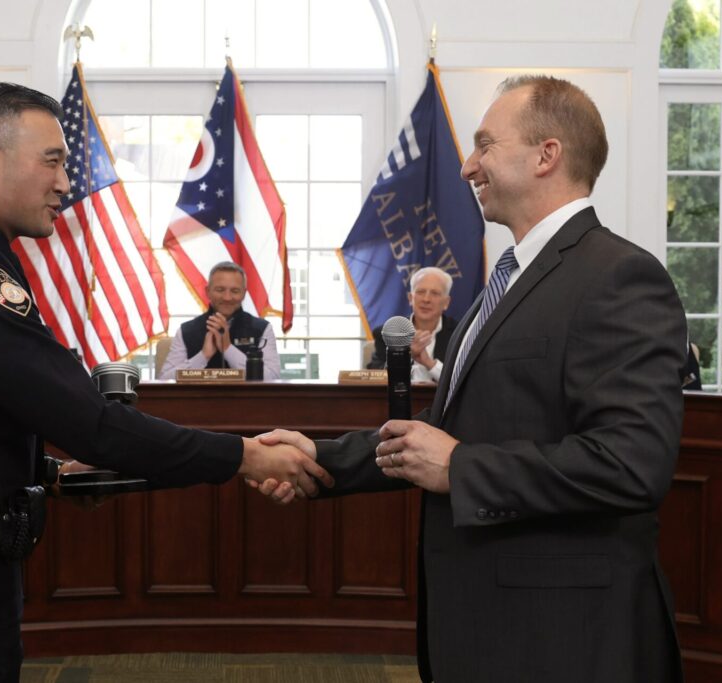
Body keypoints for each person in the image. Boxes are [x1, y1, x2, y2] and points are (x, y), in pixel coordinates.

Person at [0, 82, 331, 682]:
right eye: (51, 160)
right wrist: (243, 456)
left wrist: (45, 472)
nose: (66, 183)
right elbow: (93, 424)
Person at [255, 75, 687, 682]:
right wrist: (320, 461)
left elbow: (631, 462)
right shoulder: (507, 279)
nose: (466, 165)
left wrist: (463, 468)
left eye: (485, 144)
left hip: (565, 634)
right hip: (488, 624)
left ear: (547, 155)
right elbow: (447, 431)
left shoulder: (618, 277)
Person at [159, 261, 280, 380]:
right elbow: (164, 379)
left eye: (235, 291)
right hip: (198, 399)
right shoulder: (186, 330)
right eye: (220, 290)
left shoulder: (262, 329)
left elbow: (272, 378)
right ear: (208, 292)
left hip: (245, 400)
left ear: (244, 294)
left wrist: (228, 349)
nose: (227, 297)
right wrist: (203, 356)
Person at [366, 266, 457, 382]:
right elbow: (376, 376)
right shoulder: (388, 333)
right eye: (420, 292)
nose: (426, 299)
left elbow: (463, 382)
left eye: (435, 293)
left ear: (446, 302)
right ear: (410, 298)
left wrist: (430, 363)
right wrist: (404, 357)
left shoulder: (459, 334)